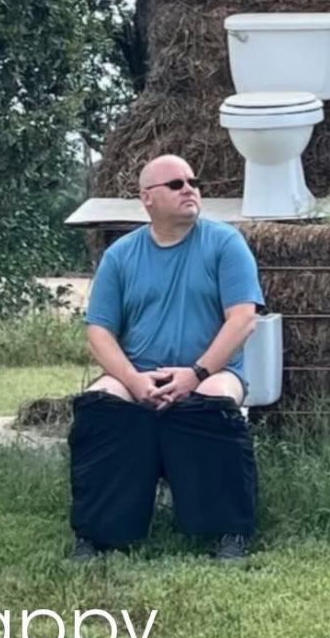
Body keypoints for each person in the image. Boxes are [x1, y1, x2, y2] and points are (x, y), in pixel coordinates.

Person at [68, 153, 264, 563]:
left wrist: (195, 373)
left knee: (211, 404)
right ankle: (97, 533)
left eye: (193, 181)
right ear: (147, 199)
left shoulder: (225, 244)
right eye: (176, 184)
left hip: (210, 371)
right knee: (100, 405)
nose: (189, 188)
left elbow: (243, 319)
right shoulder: (121, 256)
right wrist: (134, 381)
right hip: (138, 371)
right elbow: (98, 331)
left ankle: (229, 531)